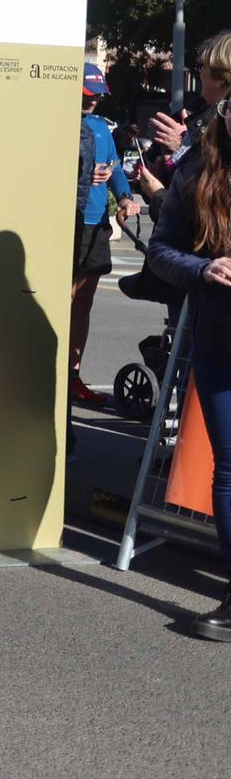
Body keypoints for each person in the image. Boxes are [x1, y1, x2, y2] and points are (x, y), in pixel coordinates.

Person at [146, 91, 231, 639]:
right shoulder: (199, 169)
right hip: (221, 335)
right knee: (229, 471)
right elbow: (160, 250)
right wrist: (204, 269)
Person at [70, 63, 139, 405]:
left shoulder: (100, 128)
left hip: (98, 223)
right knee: (63, 301)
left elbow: (115, 173)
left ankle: (73, 374)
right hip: (70, 223)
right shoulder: (59, 124)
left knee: (84, 300)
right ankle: (52, 372)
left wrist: (126, 197)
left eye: (97, 96)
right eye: (88, 94)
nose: (94, 101)